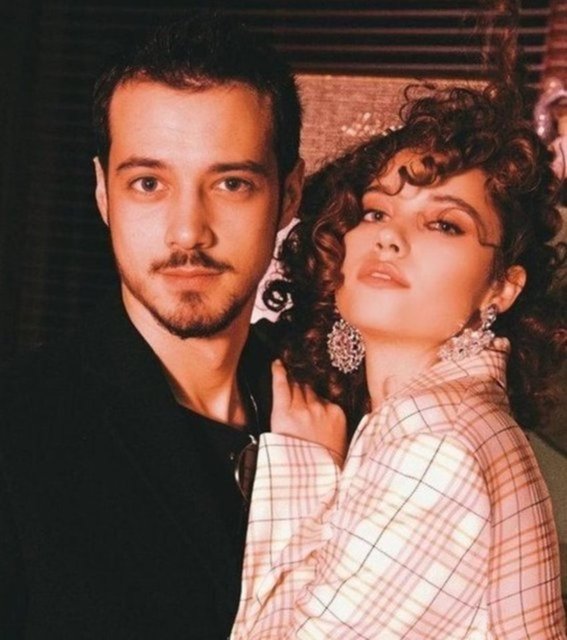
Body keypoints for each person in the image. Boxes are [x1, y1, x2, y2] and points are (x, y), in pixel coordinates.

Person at [0, 12, 303, 639]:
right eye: (148, 183)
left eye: (232, 183)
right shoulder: (18, 428)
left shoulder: (336, 416)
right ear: (102, 193)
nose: (188, 231)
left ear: (289, 194)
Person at [231, 86, 567, 638]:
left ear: (501, 288)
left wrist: (305, 471)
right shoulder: (437, 420)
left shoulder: (435, 445)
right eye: (375, 211)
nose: (389, 236)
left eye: (445, 224)